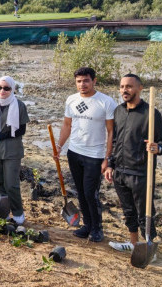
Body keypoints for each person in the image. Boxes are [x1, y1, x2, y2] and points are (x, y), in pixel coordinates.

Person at [105, 74, 162, 252]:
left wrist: (158, 148)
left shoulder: (151, 113)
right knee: (128, 212)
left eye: (129, 86)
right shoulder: (118, 111)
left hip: (141, 173)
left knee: (145, 214)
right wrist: (110, 164)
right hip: (120, 171)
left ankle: (149, 247)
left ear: (139, 88)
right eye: (122, 86)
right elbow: (116, 141)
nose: (124, 90)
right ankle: (133, 244)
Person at [56, 67, 116, 242]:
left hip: (95, 155)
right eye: (79, 81)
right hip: (74, 152)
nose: (82, 84)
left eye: (86, 80)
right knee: (81, 192)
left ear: (94, 81)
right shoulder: (71, 100)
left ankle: (97, 228)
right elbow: (67, 125)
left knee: (91, 193)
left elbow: (111, 132)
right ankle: (87, 225)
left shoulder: (106, 102)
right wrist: (60, 145)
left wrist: (107, 158)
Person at [0, 76, 30, 224]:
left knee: (11, 184)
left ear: (12, 89)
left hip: (11, 150)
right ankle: (4, 212)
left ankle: (18, 213)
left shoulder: (19, 105)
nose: (2, 91)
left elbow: (21, 130)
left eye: (6, 88)